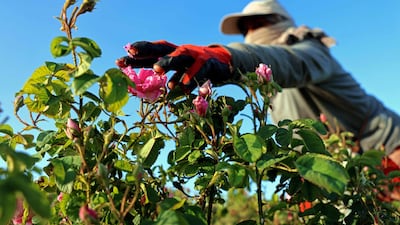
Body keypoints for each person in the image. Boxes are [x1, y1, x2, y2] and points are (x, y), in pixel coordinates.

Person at [116, 0, 400, 200]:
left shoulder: (310, 51)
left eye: (258, 24)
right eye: (245, 29)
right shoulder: (263, 84)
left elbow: (286, 63)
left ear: (281, 24)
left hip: (388, 151)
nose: (251, 33)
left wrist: (225, 56)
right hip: (338, 174)